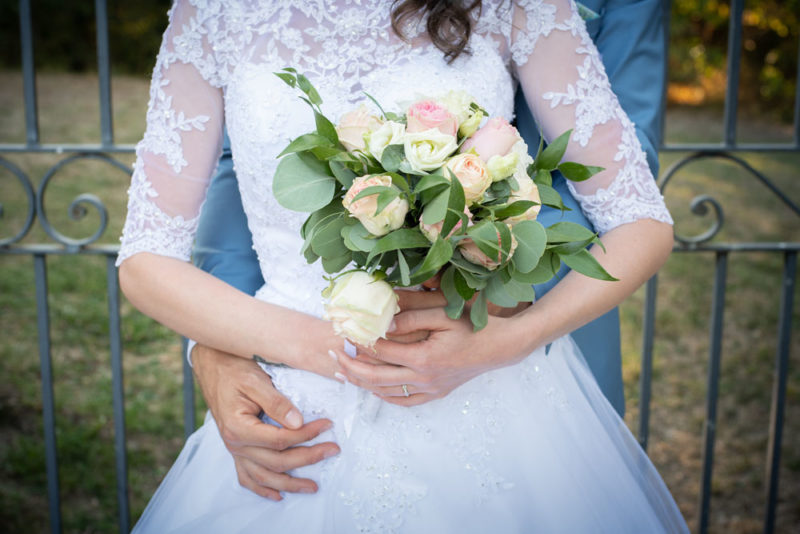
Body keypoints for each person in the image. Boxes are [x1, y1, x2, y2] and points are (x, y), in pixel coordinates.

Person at [118, 0, 686, 531]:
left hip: (490, 383)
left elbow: (640, 222)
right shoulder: (216, 12)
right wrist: (319, 349)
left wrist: (508, 340)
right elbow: (145, 260)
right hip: (297, 405)